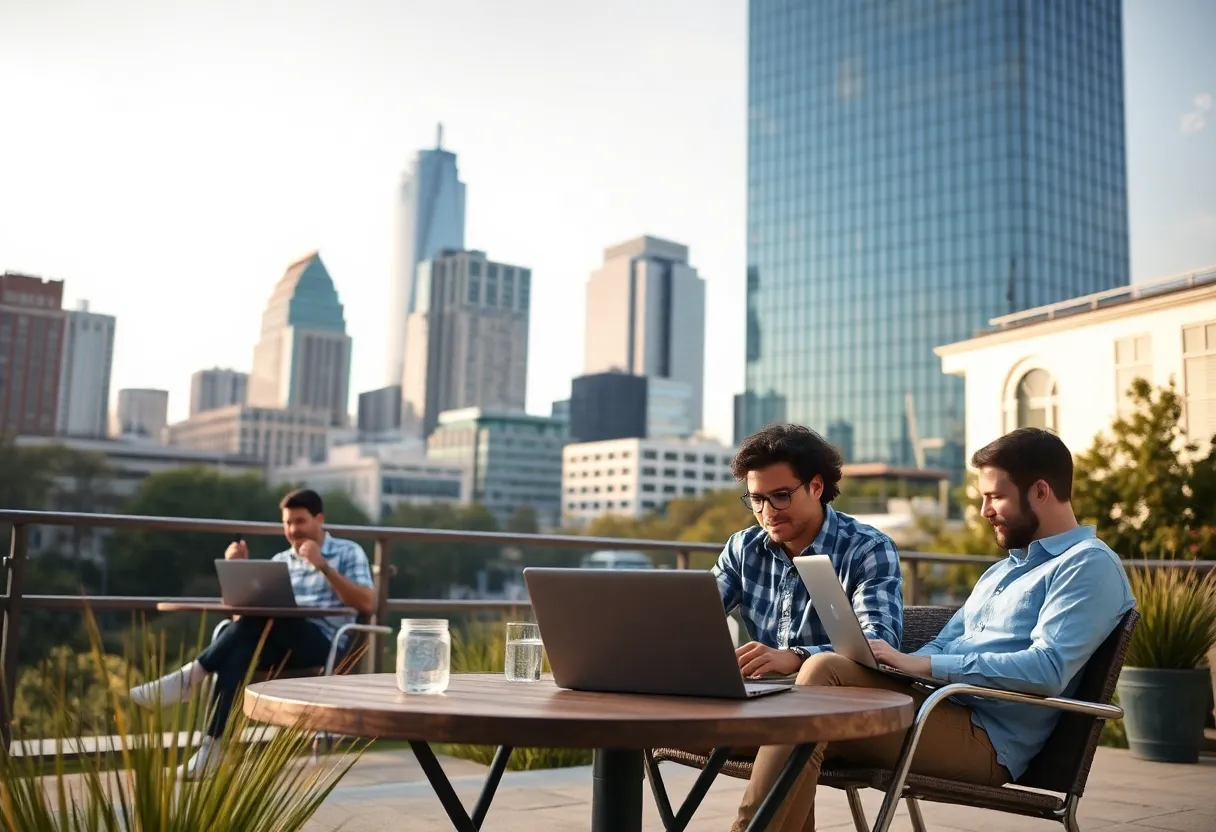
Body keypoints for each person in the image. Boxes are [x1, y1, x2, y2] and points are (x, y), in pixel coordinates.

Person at [730, 427, 1136, 831]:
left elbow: (1047, 669)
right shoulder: (1003, 571)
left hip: (986, 740)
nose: (984, 510)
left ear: (1041, 492)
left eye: (995, 496)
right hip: (934, 707)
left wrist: (922, 666)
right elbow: (946, 642)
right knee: (804, 717)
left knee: (819, 680)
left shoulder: (1087, 565)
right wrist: (896, 664)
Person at [129, 488, 377, 778]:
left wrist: (322, 565)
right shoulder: (280, 558)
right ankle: (212, 750)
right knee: (238, 653)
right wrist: (239, 570)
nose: (293, 530)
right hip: (276, 639)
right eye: (287, 523)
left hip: (323, 641)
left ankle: (190, 677)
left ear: (319, 519)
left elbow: (367, 603)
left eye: (300, 521)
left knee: (268, 617)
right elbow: (243, 622)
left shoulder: (348, 551)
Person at [714, 423, 903, 679]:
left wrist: (797, 656)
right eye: (757, 500)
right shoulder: (743, 548)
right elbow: (695, 616)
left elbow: (880, 643)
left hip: (838, 698)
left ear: (815, 487)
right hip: (765, 693)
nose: (767, 513)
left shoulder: (868, 549)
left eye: (781, 496)